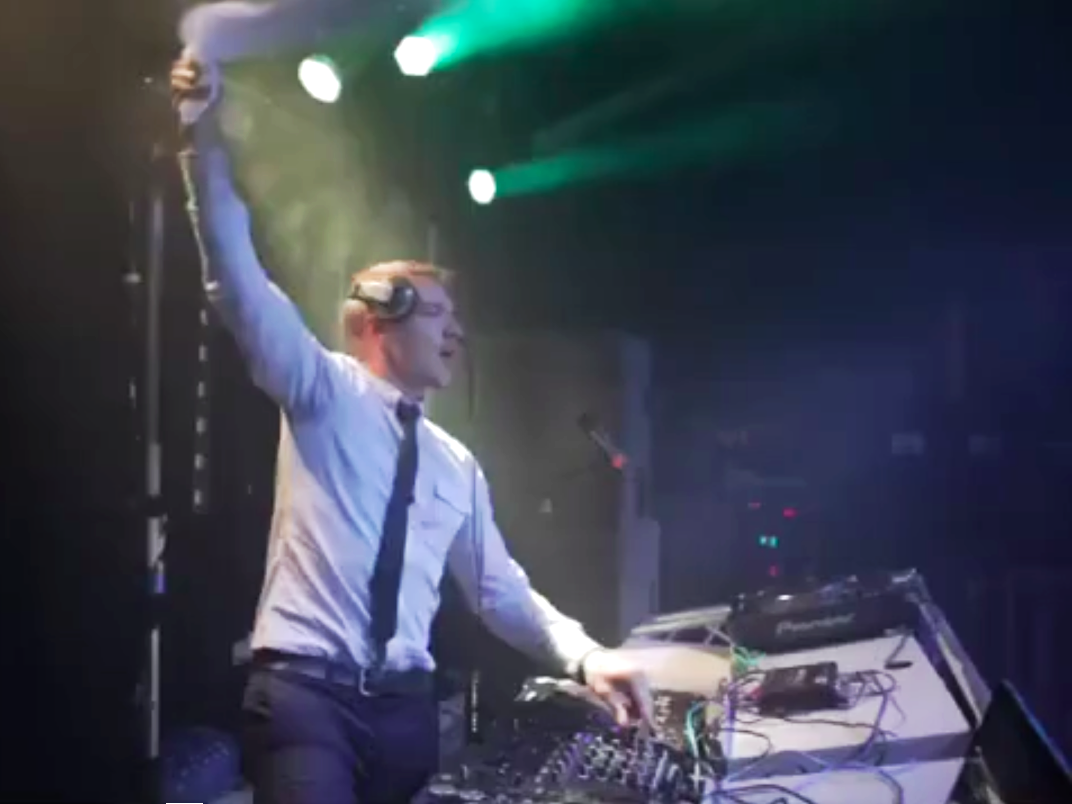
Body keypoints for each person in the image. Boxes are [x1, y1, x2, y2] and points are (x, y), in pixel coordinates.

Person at [171, 57, 653, 804]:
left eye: (455, 320)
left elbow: (501, 593)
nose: (455, 333)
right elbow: (235, 278)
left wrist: (589, 658)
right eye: (436, 314)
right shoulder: (322, 388)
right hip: (307, 698)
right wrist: (200, 139)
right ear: (377, 318)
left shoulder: (455, 463)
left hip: (405, 714)